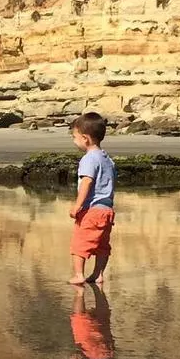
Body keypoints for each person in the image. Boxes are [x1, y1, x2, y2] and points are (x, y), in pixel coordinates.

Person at [68, 112, 116, 285]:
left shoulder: (89, 159)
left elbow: (87, 182)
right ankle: (98, 274)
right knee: (102, 245)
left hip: (92, 210)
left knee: (79, 243)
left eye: (74, 137)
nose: (74, 141)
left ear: (85, 139)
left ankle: (79, 274)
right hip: (107, 210)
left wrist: (77, 206)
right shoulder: (107, 159)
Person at [70, 284, 116, 359]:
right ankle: (80, 292)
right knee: (79, 320)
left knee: (102, 318)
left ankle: (99, 284)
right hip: (93, 356)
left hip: (107, 354)